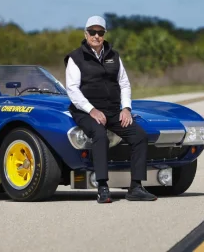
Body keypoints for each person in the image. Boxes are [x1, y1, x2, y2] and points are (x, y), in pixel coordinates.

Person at [64, 15, 157, 203]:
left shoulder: (114, 56)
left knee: (139, 136)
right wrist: (91, 110)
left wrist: (127, 108)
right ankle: (103, 187)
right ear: (86, 33)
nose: (96, 36)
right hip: (85, 111)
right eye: (92, 32)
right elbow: (72, 90)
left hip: (113, 110)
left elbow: (124, 84)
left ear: (104, 34)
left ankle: (136, 187)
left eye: (100, 32)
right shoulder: (76, 57)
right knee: (99, 135)